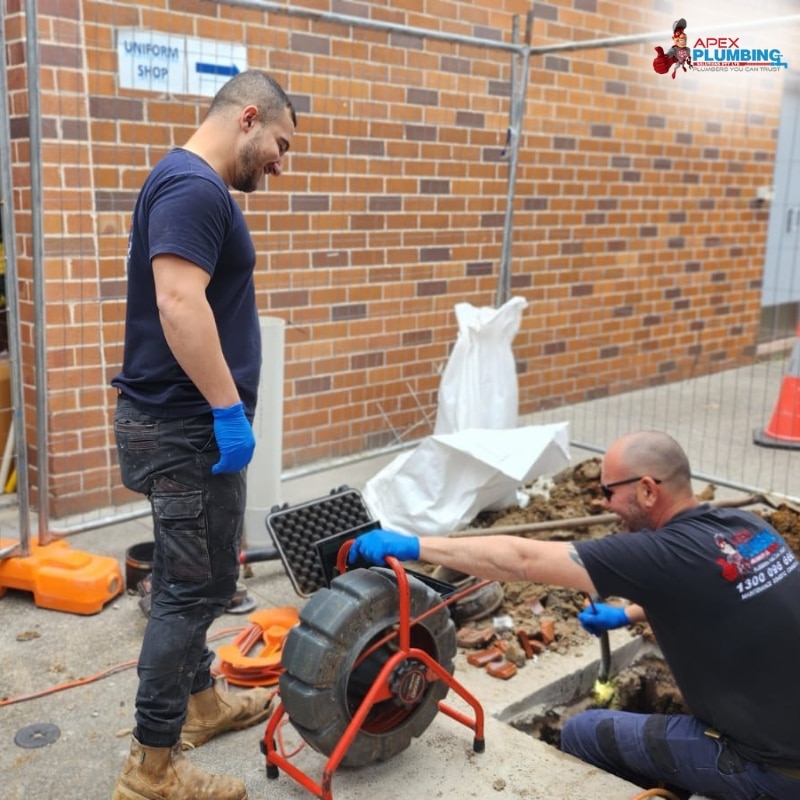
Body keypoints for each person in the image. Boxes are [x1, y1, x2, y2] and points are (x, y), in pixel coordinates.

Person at [348, 430, 800, 800]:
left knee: (584, 731)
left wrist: (414, 545)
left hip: (771, 770)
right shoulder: (748, 529)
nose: (604, 504)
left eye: (608, 491)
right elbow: (714, 592)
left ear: (646, 489)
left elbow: (521, 560)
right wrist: (625, 617)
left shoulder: (661, 553)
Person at [110, 70, 296, 800]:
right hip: (188, 428)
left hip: (177, 424)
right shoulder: (192, 186)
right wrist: (226, 410)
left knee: (198, 581)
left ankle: (199, 705)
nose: (281, 164)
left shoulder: (185, 181)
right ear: (248, 118)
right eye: (280, 145)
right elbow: (180, 302)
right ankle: (152, 768)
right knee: (193, 591)